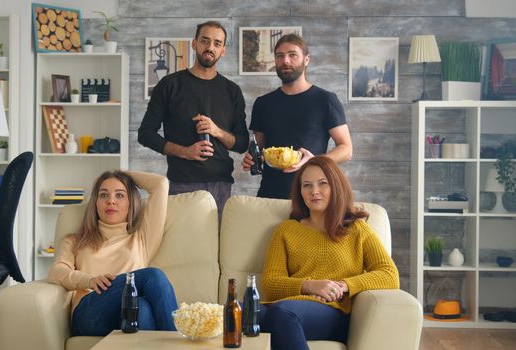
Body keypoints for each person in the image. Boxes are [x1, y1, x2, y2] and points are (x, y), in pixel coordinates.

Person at [260, 156, 399, 349]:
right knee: (237, 312)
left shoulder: (357, 230)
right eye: (306, 185)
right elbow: (270, 282)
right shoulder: (286, 230)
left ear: (336, 186)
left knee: (282, 313)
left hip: (332, 313)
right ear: (300, 192)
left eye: (322, 184)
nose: (314, 192)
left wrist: (342, 286)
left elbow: (389, 274)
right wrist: (310, 286)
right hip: (286, 308)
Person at [138, 21, 249, 216]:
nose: (210, 47)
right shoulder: (170, 85)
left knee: (218, 246)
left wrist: (217, 131)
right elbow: (145, 134)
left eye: (217, 43)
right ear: (194, 43)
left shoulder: (232, 91)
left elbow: (241, 144)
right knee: (184, 245)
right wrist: (185, 152)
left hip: (221, 186)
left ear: (223, 50)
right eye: (205, 41)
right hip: (182, 184)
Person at [48, 170, 178, 336]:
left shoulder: (142, 239)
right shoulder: (75, 241)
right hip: (90, 315)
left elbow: (160, 184)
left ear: (131, 203)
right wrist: (89, 280)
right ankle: (178, 343)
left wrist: (120, 172)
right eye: (103, 195)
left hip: (127, 312)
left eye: (120, 195)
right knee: (154, 276)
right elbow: (56, 272)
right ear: (95, 203)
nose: (111, 201)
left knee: (142, 308)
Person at [242, 34, 352, 199]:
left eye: (292, 55)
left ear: (306, 60)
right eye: (280, 56)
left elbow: (346, 149)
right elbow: (260, 150)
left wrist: (313, 161)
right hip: (270, 194)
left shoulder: (326, 100)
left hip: (312, 196)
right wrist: (252, 159)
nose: (285, 60)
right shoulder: (263, 103)